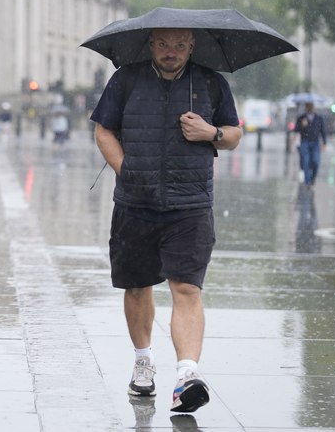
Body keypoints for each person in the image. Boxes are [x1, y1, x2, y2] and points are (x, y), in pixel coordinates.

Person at [90, 28, 242, 412]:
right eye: (163, 43)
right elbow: (103, 129)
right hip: (134, 204)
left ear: (191, 46)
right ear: (151, 44)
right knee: (138, 286)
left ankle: (187, 375)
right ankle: (143, 361)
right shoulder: (126, 78)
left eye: (179, 44)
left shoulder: (210, 82)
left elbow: (234, 134)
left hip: (190, 205)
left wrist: (212, 132)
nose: (171, 51)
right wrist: (127, 170)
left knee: (187, 288)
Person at [293, 101, 327, 186]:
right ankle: (308, 183)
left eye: (311, 105)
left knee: (316, 161)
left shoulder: (319, 118)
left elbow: (323, 131)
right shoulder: (301, 118)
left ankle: (313, 177)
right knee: (306, 162)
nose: (309, 107)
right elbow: (296, 130)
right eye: (307, 105)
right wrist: (302, 125)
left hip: (315, 143)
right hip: (304, 142)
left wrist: (324, 143)